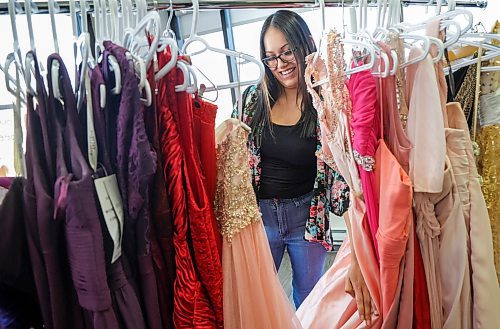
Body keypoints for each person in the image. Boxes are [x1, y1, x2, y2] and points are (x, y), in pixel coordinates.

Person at [233, 10, 370, 313]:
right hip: (260, 219)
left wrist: (358, 249)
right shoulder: (252, 100)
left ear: (304, 44)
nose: (280, 65)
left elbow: (340, 177)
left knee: (310, 301)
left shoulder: (324, 102)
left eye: (287, 52)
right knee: (260, 300)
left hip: (306, 219)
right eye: (271, 57)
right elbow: (234, 162)